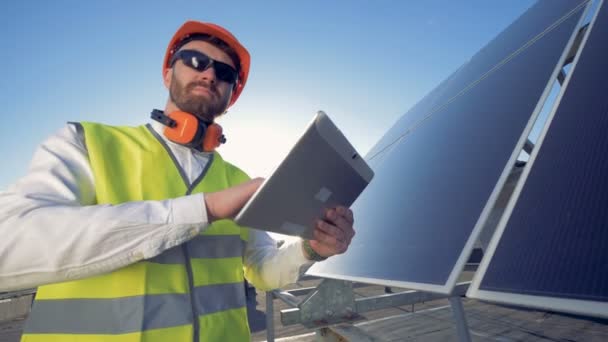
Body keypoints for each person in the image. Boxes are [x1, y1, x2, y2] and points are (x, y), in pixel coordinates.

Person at [0, 20, 355, 341]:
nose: (210, 74)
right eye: (196, 61)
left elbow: (263, 271)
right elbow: (9, 244)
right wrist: (205, 209)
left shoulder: (236, 178)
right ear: (168, 72)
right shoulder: (86, 143)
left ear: (231, 97)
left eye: (225, 73)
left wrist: (312, 248)